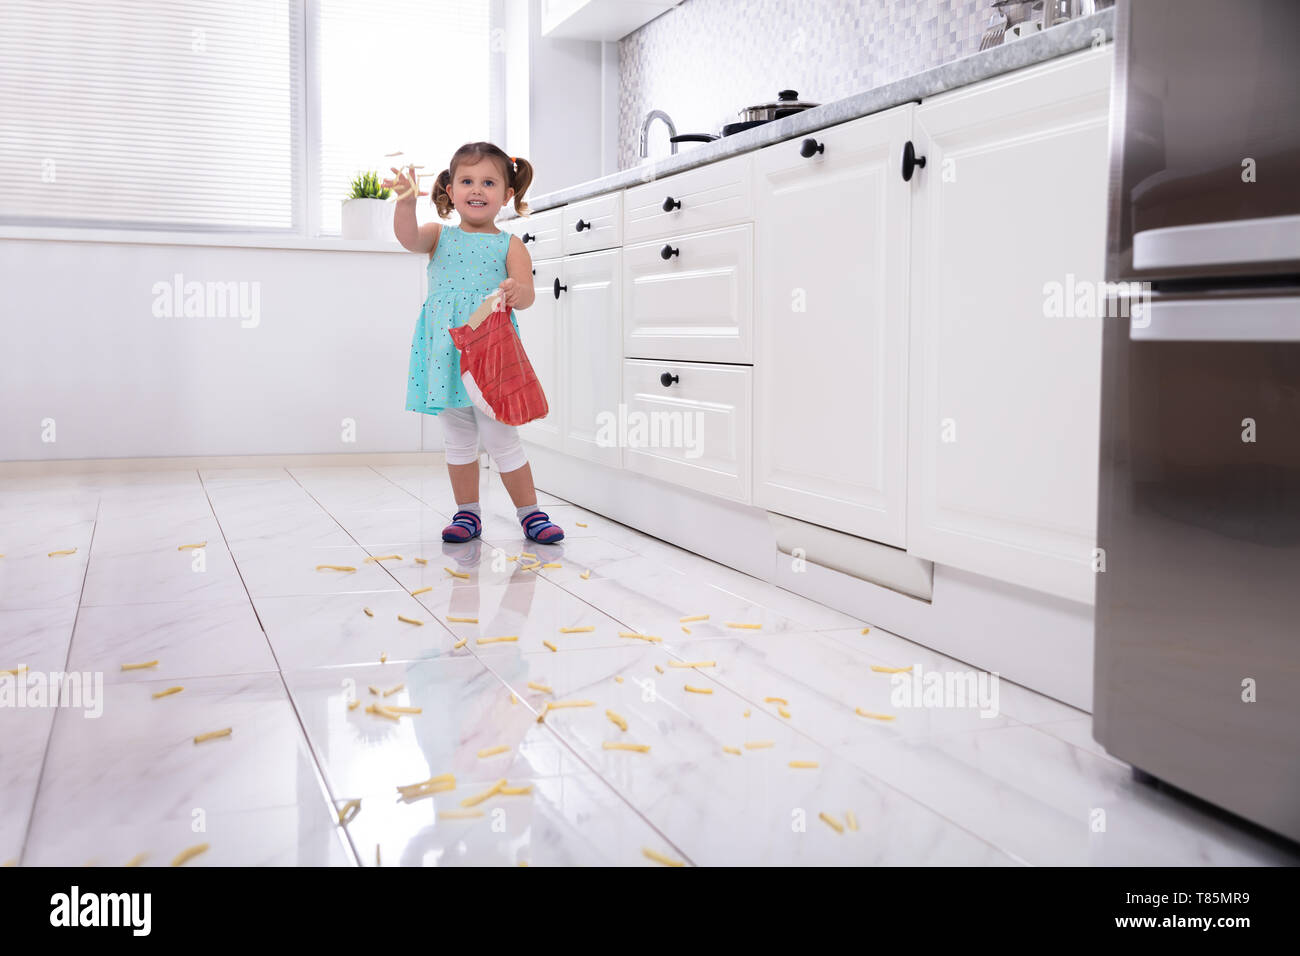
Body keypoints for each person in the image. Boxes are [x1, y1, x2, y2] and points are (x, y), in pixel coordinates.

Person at [388, 142, 563, 545]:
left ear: (507, 194)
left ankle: (531, 513)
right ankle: (467, 513)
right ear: (451, 191)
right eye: (467, 181)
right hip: (447, 354)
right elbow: (407, 237)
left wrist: (517, 292)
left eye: (488, 182)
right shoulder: (438, 237)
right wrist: (404, 203)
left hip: (491, 354)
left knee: (502, 435)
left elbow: (530, 293)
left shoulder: (509, 245)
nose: (477, 189)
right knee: (459, 437)